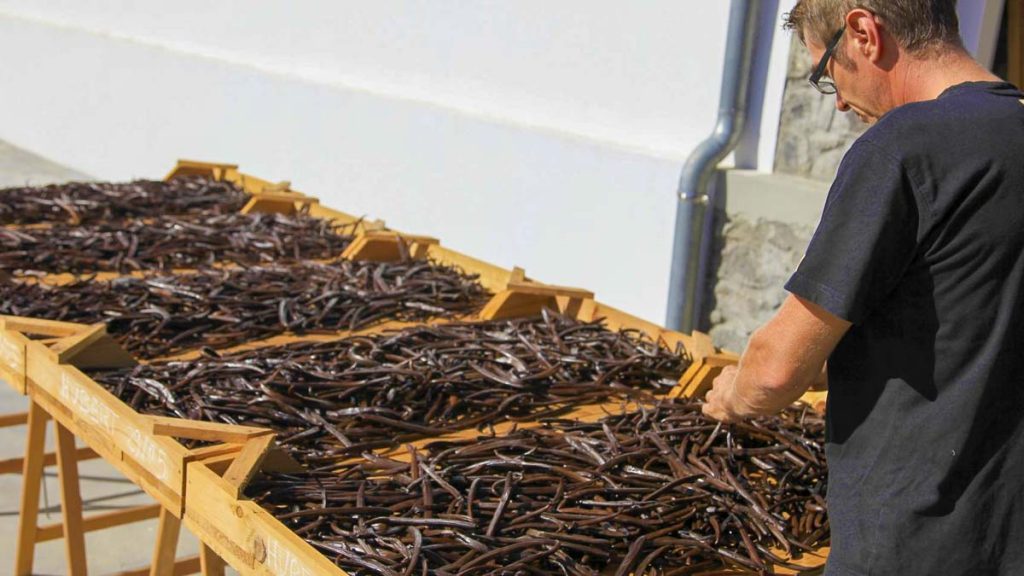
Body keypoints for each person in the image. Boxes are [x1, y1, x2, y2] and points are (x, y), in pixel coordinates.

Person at [700, 0, 1024, 574]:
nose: (843, 101)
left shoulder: (905, 145)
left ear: (863, 32)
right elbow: (969, 320)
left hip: (916, 540)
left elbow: (777, 369)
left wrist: (732, 395)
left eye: (828, 73)